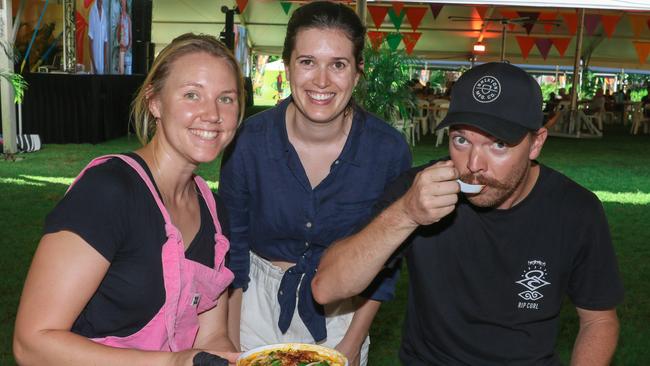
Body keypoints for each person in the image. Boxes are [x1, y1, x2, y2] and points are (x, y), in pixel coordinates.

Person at [313, 62, 624, 365]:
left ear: (535, 144)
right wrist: (405, 214)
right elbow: (327, 287)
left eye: (498, 144)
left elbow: (599, 321)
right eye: (461, 140)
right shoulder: (419, 191)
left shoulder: (575, 210)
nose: (474, 164)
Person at [14, 33, 246, 365]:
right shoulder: (108, 191)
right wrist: (171, 362)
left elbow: (211, 336)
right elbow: (31, 344)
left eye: (226, 98)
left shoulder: (213, 209)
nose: (212, 114)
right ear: (155, 102)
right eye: (192, 94)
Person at [219, 2, 411, 365]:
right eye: (307, 62)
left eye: (338, 64)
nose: (321, 81)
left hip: (344, 311)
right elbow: (233, 253)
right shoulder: (248, 142)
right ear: (288, 66)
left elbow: (386, 264)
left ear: (357, 72)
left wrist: (353, 343)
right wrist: (231, 343)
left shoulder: (388, 151)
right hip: (253, 305)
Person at [88, 0, 108, 74]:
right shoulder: (92, 12)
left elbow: (105, 41)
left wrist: (105, 63)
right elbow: (90, 40)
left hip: (102, 64)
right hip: (94, 62)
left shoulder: (104, 13)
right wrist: (93, 65)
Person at [116, 0, 132, 75]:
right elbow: (118, 34)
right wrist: (120, 43)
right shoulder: (119, 18)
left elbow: (130, 35)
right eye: (122, 3)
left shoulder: (128, 19)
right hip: (121, 48)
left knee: (128, 71)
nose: (123, 5)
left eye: (124, 3)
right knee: (121, 70)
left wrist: (128, 47)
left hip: (127, 48)